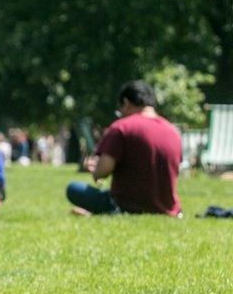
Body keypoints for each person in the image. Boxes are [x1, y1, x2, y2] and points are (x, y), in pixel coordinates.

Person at [66, 80, 182, 216]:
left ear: (126, 103)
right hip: (166, 208)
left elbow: (103, 171)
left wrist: (95, 170)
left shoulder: (121, 128)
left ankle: (103, 213)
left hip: (125, 205)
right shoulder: (173, 131)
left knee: (74, 188)